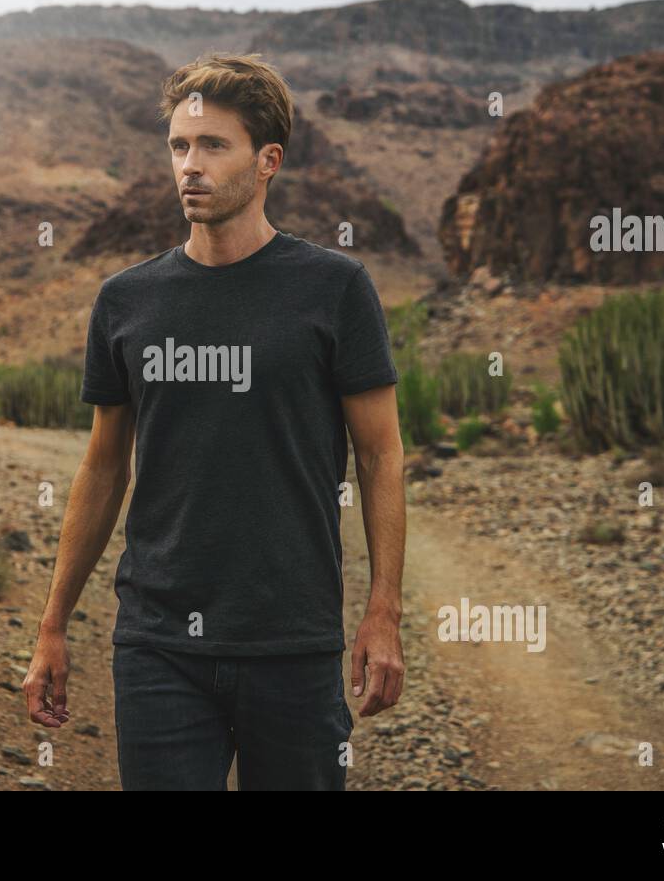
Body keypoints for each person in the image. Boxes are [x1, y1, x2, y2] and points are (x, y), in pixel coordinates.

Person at [24, 52, 406, 790]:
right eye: (178, 146)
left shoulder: (334, 290)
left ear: (268, 161)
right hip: (158, 644)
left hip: (292, 639)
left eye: (212, 145)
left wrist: (383, 612)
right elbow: (104, 464)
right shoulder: (127, 301)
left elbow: (382, 455)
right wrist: (53, 625)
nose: (189, 166)